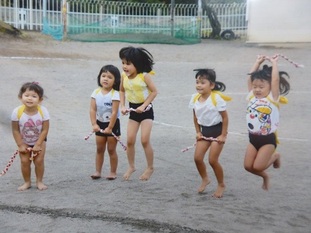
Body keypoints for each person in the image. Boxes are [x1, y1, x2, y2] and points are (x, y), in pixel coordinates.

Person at [244, 55, 290, 190]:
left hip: (267, 140)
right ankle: (265, 176)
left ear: (270, 87)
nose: (257, 89)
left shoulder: (272, 98)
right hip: (253, 138)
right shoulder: (251, 96)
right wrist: (257, 61)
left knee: (258, 166)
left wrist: (274, 63)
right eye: (255, 86)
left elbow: (275, 80)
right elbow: (250, 78)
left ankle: (275, 156)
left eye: (261, 87)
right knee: (247, 166)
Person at [188, 69, 231, 198]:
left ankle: (221, 184)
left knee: (212, 160)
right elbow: (195, 117)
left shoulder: (216, 98)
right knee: (197, 158)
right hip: (204, 132)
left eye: (202, 82)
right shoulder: (194, 98)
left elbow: (225, 118)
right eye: (197, 82)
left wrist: (223, 135)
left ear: (211, 85)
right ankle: (205, 178)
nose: (199, 85)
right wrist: (198, 132)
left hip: (217, 131)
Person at [119, 46, 158, 181]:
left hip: (146, 111)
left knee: (144, 140)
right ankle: (131, 166)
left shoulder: (144, 76)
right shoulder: (123, 76)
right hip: (133, 111)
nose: (125, 66)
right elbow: (122, 91)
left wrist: (143, 105)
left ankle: (150, 167)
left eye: (128, 63)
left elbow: (154, 92)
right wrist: (123, 106)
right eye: (123, 63)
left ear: (137, 64)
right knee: (129, 140)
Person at [11, 82, 50, 191]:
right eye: (26, 95)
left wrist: (38, 144)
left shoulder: (43, 111)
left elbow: (45, 129)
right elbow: (15, 130)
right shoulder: (17, 112)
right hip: (24, 140)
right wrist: (20, 144)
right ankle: (27, 182)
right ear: (20, 97)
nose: (30, 99)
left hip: (39, 140)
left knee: (39, 161)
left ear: (40, 99)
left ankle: (39, 181)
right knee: (24, 162)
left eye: (34, 96)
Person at [89, 65, 121, 180]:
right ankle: (97, 171)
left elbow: (114, 112)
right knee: (99, 149)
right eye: (103, 76)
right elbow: (92, 109)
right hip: (100, 124)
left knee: (111, 150)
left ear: (116, 80)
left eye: (109, 77)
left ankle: (113, 172)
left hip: (112, 125)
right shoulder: (95, 92)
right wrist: (94, 124)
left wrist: (110, 127)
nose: (106, 79)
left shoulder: (115, 94)